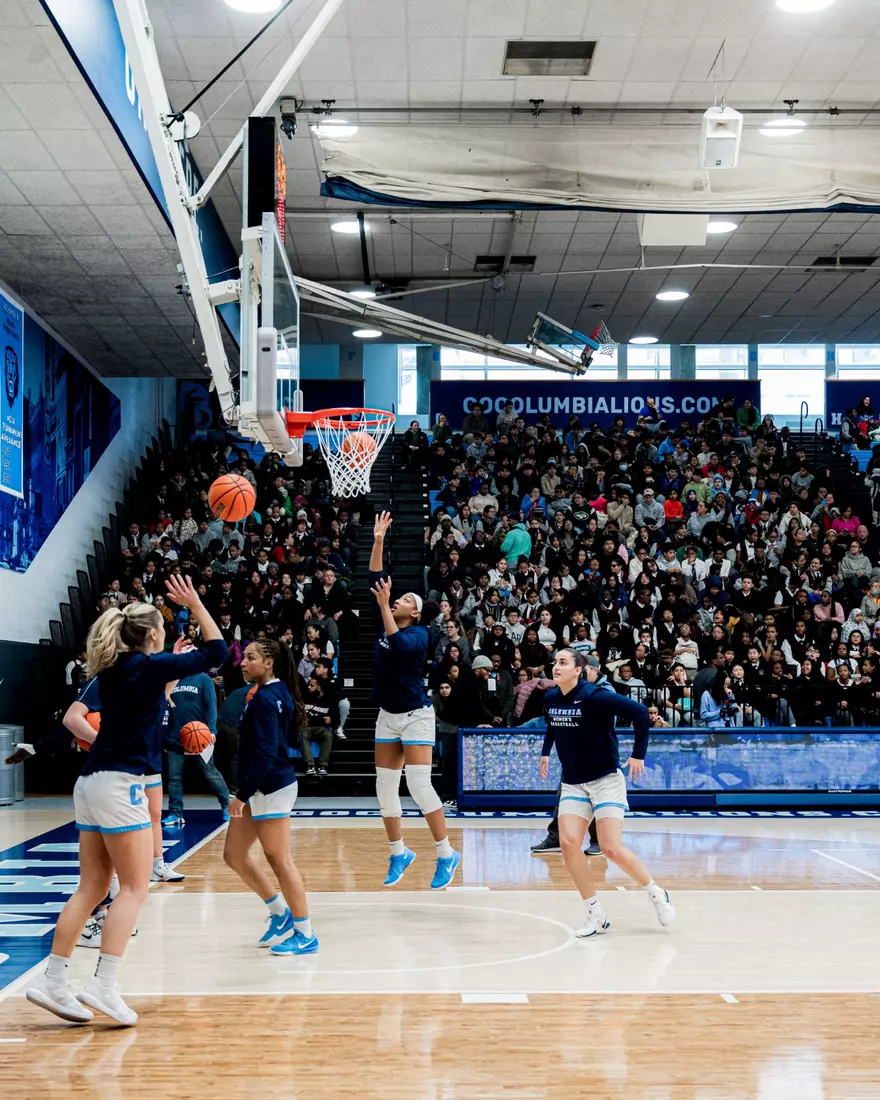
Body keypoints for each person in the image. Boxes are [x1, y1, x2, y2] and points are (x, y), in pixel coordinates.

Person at [26, 576, 227, 1027]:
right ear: (153, 634)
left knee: (93, 887)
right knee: (135, 888)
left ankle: (54, 980)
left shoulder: (113, 672)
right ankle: (103, 983)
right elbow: (217, 653)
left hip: (90, 782)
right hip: (121, 785)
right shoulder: (149, 668)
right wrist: (195, 604)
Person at [539, 649, 675, 938]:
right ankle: (595, 913)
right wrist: (545, 753)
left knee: (611, 848)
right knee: (568, 843)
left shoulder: (594, 696)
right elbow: (552, 723)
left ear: (579, 669)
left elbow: (639, 712)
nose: (556, 667)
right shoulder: (550, 698)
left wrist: (638, 755)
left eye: (563, 662)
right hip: (574, 782)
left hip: (605, 780)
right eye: (555, 662)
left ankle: (655, 893)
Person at [369, 511, 461, 890]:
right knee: (384, 788)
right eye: (397, 598)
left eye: (405, 599)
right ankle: (398, 851)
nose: (396, 601)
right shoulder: (388, 619)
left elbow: (399, 646)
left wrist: (385, 608)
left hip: (416, 716)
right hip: (387, 715)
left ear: (416, 611)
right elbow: (376, 581)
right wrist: (377, 540)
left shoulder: (421, 634)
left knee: (420, 785)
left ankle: (445, 853)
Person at [222, 639, 318, 957]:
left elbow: (265, 753)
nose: (242, 663)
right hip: (263, 785)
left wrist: (242, 794)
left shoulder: (265, 698)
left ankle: (305, 933)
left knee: (280, 860)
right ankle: (279, 912)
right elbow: (285, 738)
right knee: (234, 855)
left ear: (268, 663)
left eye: (250, 658)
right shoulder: (277, 693)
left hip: (269, 787)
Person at [162, 670, 231, 827]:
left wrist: (212, 730)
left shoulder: (203, 679)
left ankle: (227, 805)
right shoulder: (172, 679)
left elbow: (211, 705)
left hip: (200, 736)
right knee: (174, 778)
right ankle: (175, 813)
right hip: (176, 738)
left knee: (210, 773)